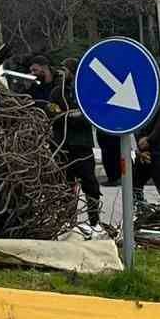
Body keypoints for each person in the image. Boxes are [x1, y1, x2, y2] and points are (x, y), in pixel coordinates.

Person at [29, 53, 102, 230]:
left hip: (82, 145)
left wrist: (67, 115)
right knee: (64, 185)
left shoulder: (85, 93)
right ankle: (67, 222)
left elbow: (89, 117)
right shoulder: (56, 92)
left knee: (90, 184)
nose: (62, 73)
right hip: (61, 145)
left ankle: (94, 222)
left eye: (66, 70)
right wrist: (72, 115)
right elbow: (52, 115)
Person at [133, 94, 160, 205]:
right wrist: (140, 148)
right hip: (143, 153)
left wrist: (148, 141)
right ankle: (139, 208)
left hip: (157, 152)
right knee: (135, 185)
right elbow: (136, 124)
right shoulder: (143, 103)